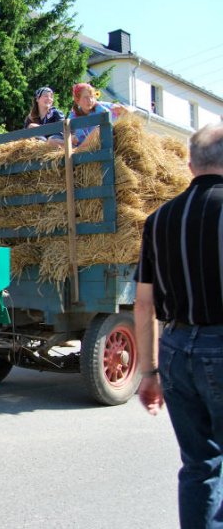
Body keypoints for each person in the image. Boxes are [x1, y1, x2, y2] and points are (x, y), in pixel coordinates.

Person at [134, 121, 223, 528]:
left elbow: (143, 303)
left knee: (198, 466)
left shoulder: (158, 220)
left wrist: (149, 373)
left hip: (175, 352)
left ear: (189, 165)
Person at [68, 83, 128, 147]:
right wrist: (72, 137)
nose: (90, 100)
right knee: (56, 141)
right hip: (83, 148)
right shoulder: (73, 115)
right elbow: (68, 131)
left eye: (92, 96)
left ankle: (78, 150)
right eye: (86, 97)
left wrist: (122, 110)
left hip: (102, 145)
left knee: (98, 130)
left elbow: (125, 111)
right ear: (77, 100)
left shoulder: (103, 106)